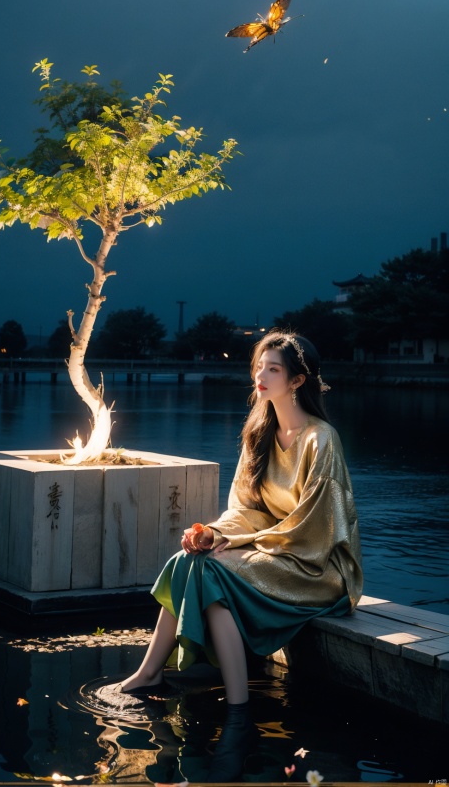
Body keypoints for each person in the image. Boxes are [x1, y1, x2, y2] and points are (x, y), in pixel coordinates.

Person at [117, 329, 363, 782]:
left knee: (213, 575)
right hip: (274, 552)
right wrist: (212, 533)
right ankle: (152, 672)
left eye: (273, 369)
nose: (261, 376)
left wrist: (242, 544)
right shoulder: (259, 432)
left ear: (297, 381)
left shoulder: (320, 440)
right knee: (187, 560)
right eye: (258, 368)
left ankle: (237, 708)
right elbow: (245, 509)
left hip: (318, 566)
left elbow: (316, 527)